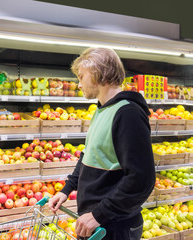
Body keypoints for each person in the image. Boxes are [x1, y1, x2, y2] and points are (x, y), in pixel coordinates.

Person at [49, 48, 155, 240]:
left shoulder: (128, 114)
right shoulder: (102, 110)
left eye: (81, 76)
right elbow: (89, 155)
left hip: (115, 227)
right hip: (98, 224)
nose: (78, 84)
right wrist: (67, 189)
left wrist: (99, 214)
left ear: (99, 73)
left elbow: (141, 180)